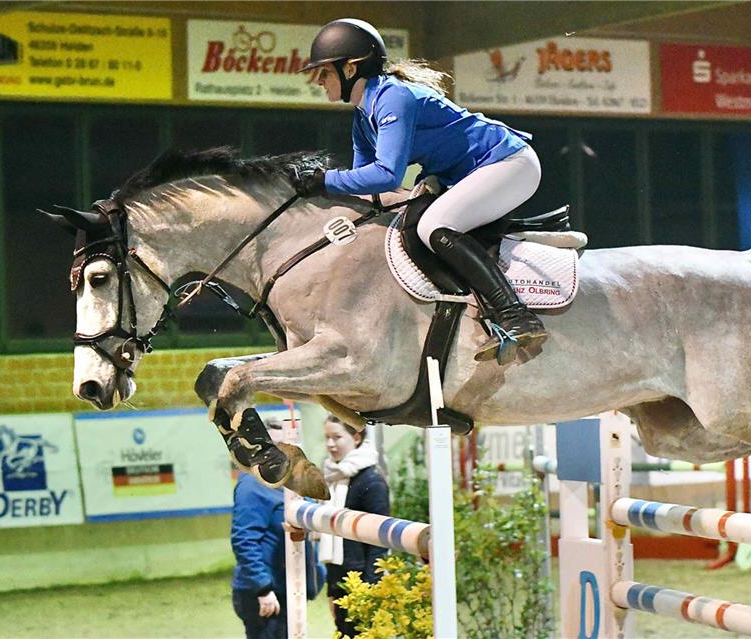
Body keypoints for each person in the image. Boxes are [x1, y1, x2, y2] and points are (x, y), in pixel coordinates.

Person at [291, 18, 546, 365]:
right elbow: (368, 187)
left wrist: (325, 180)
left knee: (433, 226)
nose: (318, 81)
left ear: (350, 67)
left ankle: (516, 316)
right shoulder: (363, 118)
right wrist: (321, 192)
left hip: (509, 164)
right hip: (470, 172)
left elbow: (384, 174)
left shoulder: (393, 98)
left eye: (324, 72)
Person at [231, 419, 323, 639]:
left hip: (288, 586)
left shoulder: (292, 483)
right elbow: (244, 540)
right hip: (267, 593)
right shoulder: (252, 486)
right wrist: (263, 590)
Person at [319, 414, 389, 638]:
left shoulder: (372, 482)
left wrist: (370, 589)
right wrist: (332, 590)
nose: (330, 444)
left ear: (356, 438)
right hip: (340, 580)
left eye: (337, 437)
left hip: (362, 581)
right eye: (327, 437)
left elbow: (380, 542)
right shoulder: (332, 477)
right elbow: (331, 535)